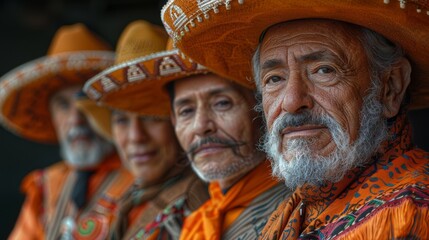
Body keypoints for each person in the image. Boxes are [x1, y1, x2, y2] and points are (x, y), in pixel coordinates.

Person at [161, 0, 429, 239]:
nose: (291, 101)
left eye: (323, 70)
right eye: (274, 79)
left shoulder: (412, 211)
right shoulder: (296, 209)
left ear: (391, 87)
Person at [85, 24, 290, 240]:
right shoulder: (198, 219)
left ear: (261, 108)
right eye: (186, 111)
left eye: (222, 103)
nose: (201, 126)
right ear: (174, 121)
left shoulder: (299, 210)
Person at [78, 20, 209, 239]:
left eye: (151, 118)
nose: (136, 136)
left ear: (181, 121)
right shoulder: (131, 197)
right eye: (121, 120)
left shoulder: (194, 204)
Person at [0, 23, 125, 240]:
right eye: (63, 105)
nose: (76, 119)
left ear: (112, 105)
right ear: (51, 115)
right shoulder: (45, 187)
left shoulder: (144, 174)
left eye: (87, 101)